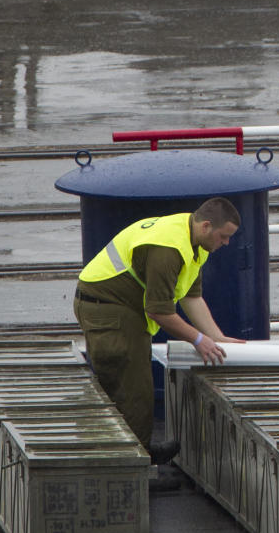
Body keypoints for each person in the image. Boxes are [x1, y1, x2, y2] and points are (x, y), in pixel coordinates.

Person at [73, 197, 245, 464]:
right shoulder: (168, 248)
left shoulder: (193, 240)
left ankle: (138, 454)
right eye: (224, 236)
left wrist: (216, 337)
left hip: (121, 307)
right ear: (207, 226)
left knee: (134, 387)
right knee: (130, 390)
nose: (226, 243)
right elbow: (158, 311)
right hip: (107, 308)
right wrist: (198, 340)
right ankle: (132, 467)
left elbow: (191, 297)